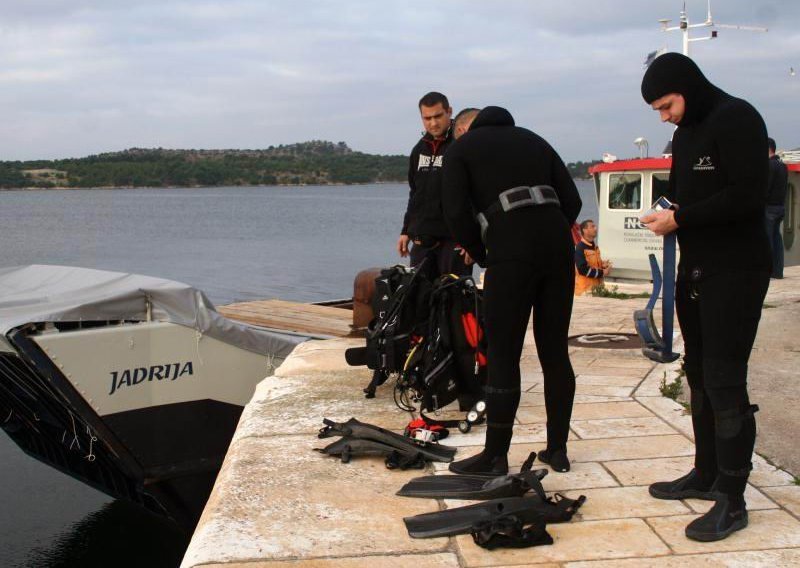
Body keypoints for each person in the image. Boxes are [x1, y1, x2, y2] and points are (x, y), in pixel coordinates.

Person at [640, 53, 771, 542]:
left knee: (723, 378)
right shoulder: (685, 133)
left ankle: (733, 500)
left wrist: (683, 219)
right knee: (696, 372)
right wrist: (665, 213)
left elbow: (746, 196)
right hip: (695, 268)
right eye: (657, 109)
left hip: (736, 269)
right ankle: (705, 472)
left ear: (687, 87)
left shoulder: (737, 117)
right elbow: (684, 197)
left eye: (666, 104)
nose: (664, 116)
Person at [441, 106, 582, 476]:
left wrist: (486, 250)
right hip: (557, 251)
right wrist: (546, 230)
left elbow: (454, 212)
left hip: (510, 253)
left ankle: (495, 456)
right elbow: (574, 201)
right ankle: (558, 449)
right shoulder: (537, 141)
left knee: (504, 353)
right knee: (555, 351)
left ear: (463, 129)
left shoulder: (461, 149)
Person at [398, 92, 472, 279]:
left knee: (453, 300)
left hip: (454, 241)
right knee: (418, 298)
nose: (433, 123)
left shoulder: (462, 143)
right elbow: (415, 193)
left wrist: (473, 240)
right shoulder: (419, 149)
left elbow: (477, 192)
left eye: (438, 116)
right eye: (427, 118)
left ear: (449, 112)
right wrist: (406, 230)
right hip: (422, 240)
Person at [765, 137, 788, 279]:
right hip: (780, 207)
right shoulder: (782, 165)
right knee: (777, 239)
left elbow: (766, 188)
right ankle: (778, 271)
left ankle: (768, 271)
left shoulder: (769, 165)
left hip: (769, 209)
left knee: (767, 240)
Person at [574, 219, 612, 295]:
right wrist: (602, 272)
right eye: (592, 226)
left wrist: (603, 265)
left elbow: (593, 265)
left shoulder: (595, 247)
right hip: (585, 292)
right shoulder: (579, 248)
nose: (596, 228)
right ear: (585, 230)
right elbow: (582, 269)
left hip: (597, 290)